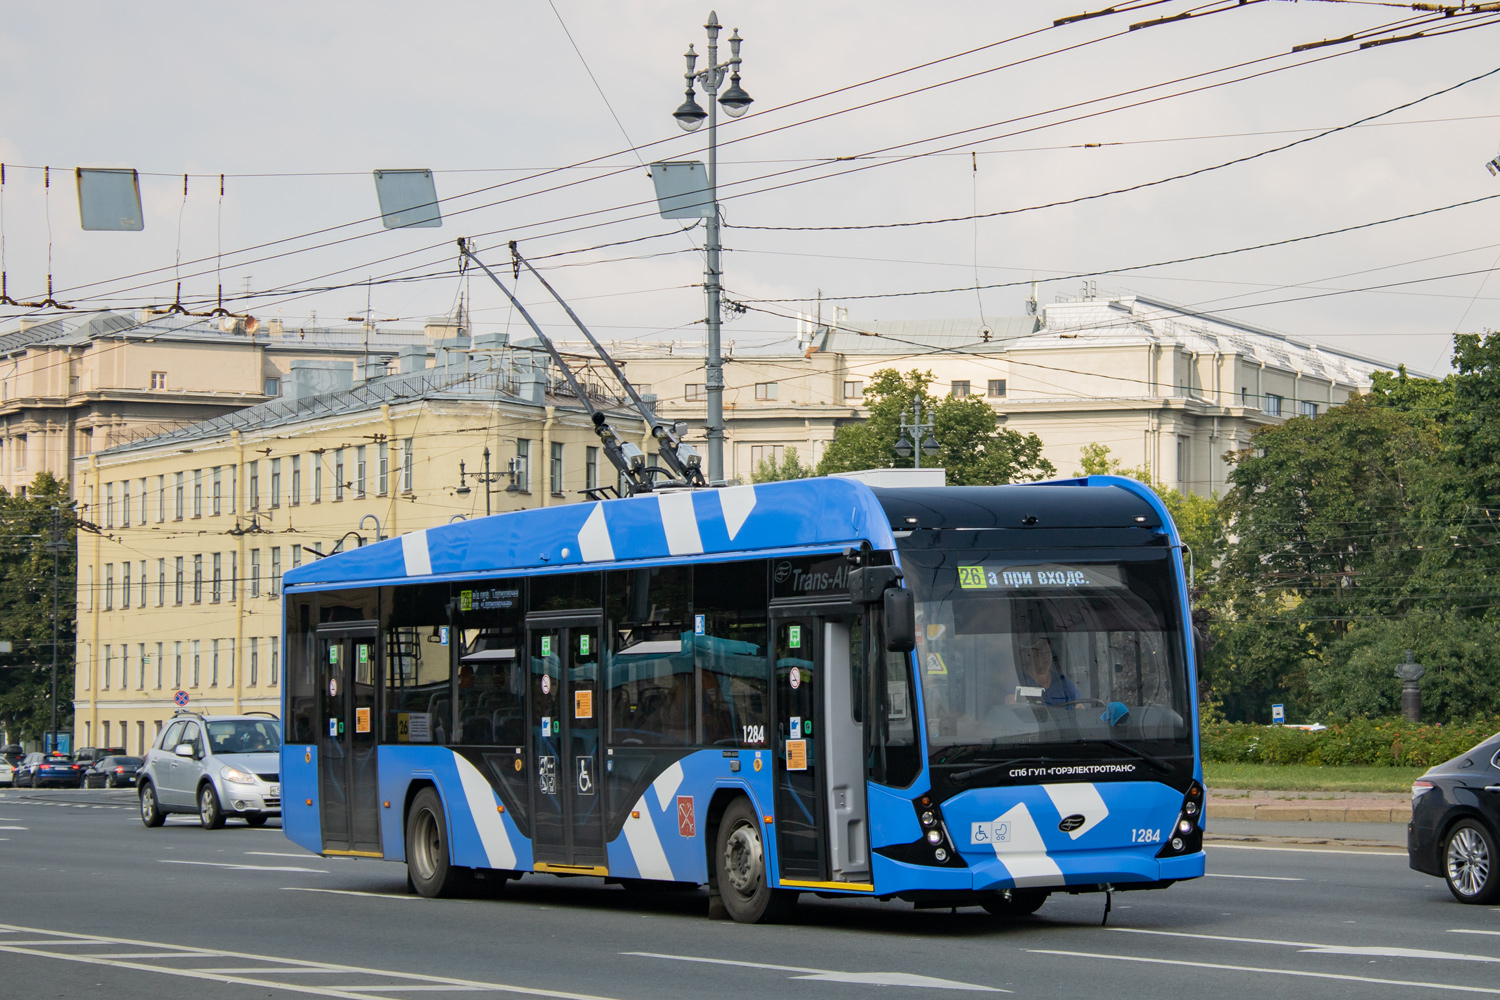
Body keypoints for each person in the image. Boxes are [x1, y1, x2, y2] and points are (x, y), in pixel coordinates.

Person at [1008, 636, 1080, 707]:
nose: (1046, 657)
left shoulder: (1061, 679)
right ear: (1028, 656)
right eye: (1041, 653)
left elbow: (1078, 703)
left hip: (1065, 718)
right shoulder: (1019, 680)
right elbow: (1009, 701)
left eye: (1048, 652)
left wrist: (1078, 707)